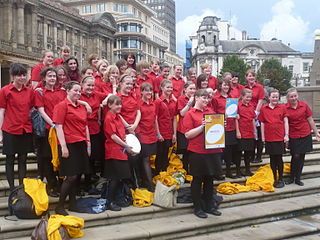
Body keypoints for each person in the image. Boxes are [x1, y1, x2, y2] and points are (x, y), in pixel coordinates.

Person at [53, 81, 91, 216]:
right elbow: (58, 126)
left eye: (80, 91)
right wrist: (63, 146)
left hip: (80, 143)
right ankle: (60, 205)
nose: (78, 93)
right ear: (67, 90)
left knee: (77, 175)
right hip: (68, 143)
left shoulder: (81, 106)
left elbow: (85, 125)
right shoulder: (61, 106)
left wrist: (88, 144)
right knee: (70, 176)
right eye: (75, 90)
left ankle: (73, 204)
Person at [184, 89, 222, 218]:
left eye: (207, 98)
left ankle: (209, 205)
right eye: (203, 98)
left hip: (212, 150)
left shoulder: (211, 112)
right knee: (197, 179)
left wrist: (221, 125)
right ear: (196, 98)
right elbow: (188, 134)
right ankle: (197, 207)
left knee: (210, 179)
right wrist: (202, 127)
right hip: (197, 151)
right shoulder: (190, 114)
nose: (206, 100)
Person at [0, 63, 35, 191]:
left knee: (23, 159)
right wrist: (0, 133)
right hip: (10, 128)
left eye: (24, 75)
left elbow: (31, 109)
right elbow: (1, 111)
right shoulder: (5, 91)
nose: (22, 78)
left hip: (25, 129)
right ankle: (11, 188)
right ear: (13, 76)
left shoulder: (30, 92)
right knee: (10, 159)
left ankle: (21, 187)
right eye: (19, 75)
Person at [35, 67, 66, 197]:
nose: (52, 78)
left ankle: (60, 186)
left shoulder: (62, 91)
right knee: (48, 158)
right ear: (44, 78)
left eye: (54, 76)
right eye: (49, 76)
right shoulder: (40, 92)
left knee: (59, 158)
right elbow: (41, 111)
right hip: (48, 130)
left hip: (61, 129)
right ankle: (51, 186)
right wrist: (53, 124)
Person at [103, 95, 134, 211]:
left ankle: (116, 199)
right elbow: (113, 136)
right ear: (110, 105)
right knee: (115, 177)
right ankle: (110, 202)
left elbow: (124, 131)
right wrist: (126, 146)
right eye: (116, 104)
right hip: (114, 151)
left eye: (120, 104)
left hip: (121, 150)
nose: (119, 106)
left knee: (119, 177)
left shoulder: (118, 117)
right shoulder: (109, 118)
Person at [285, 88, 320, 186]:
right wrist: (286, 135)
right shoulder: (285, 108)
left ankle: (298, 178)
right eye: (291, 97)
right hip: (293, 135)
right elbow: (285, 123)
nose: (294, 98)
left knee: (302, 157)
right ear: (288, 98)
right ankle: (291, 177)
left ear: (297, 96)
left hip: (305, 134)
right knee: (295, 156)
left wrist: (316, 132)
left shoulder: (304, 105)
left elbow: (310, 120)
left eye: (295, 96)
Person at [80, 76, 107, 190]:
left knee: (93, 157)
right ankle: (82, 184)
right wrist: (84, 103)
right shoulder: (78, 94)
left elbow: (111, 96)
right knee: (84, 158)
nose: (91, 87)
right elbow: (69, 98)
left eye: (92, 85)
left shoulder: (97, 94)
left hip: (95, 129)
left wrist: (105, 101)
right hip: (81, 129)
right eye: (88, 85)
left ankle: (89, 182)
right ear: (82, 85)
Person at [259, 89, 289, 188]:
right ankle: (274, 177)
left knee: (279, 158)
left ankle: (281, 178)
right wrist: (263, 136)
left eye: (276, 97)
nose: (275, 98)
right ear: (269, 97)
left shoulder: (282, 107)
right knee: (272, 159)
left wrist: (286, 135)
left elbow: (285, 121)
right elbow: (262, 123)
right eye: (273, 97)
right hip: (269, 137)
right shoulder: (264, 108)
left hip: (279, 137)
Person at [212, 79, 241, 178]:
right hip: (221, 127)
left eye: (227, 85)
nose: (226, 87)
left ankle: (229, 170)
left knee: (231, 149)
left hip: (231, 126)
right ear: (220, 86)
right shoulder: (215, 98)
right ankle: (219, 171)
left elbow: (235, 110)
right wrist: (223, 115)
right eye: (224, 85)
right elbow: (213, 113)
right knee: (222, 150)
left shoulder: (232, 98)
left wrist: (236, 115)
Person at [137, 83, 158, 191]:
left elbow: (155, 120)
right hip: (142, 134)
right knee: (145, 159)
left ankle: (145, 181)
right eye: (146, 90)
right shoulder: (138, 104)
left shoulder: (153, 104)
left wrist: (158, 133)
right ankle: (150, 184)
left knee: (148, 158)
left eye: (150, 90)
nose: (149, 93)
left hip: (151, 134)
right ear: (141, 92)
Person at [154, 79, 177, 174]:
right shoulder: (158, 101)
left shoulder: (173, 101)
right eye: (167, 87)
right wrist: (158, 134)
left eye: (171, 87)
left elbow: (175, 118)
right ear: (162, 88)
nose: (170, 89)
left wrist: (174, 133)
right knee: (160, 154)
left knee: (166, 153)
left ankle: (164, 173)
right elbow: (155, 118)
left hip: (169, 132)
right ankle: (158, 173)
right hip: (161, 131)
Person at [244, 69, 265, 163]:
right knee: (251, 135)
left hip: (258, 114)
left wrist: (256, 112)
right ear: (246, 78)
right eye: (249, 76)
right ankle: (251, 156)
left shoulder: (260, 87)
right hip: (248, 114)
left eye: (252, 76)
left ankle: (259, 156)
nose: (251, 77)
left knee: (259, 135)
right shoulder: (244, 88)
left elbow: (261, 100)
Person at [236, 89, 257, 176]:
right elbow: (235, 119)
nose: (249, 99)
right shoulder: (237, 105)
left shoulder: (251, 106)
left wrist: (255, 131)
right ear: (242, 96)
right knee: (239, 152)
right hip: (241, 131)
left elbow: (252, 119)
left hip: (249, 132)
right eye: (247, 97)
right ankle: (238, 170)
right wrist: (238, 131)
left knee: (248, 153)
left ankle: (247, 169)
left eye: (250, 97)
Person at [177, 81, 196, 173]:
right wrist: (189, 102)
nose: (193, 90)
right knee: (185, 153)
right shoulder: (181, 99)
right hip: (183, 129)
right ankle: (185, 172)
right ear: (185, 89)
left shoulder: (197, 99)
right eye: (190, 89)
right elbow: (182, 113)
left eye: (194, 89)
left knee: (192, 153)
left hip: (194, 129)